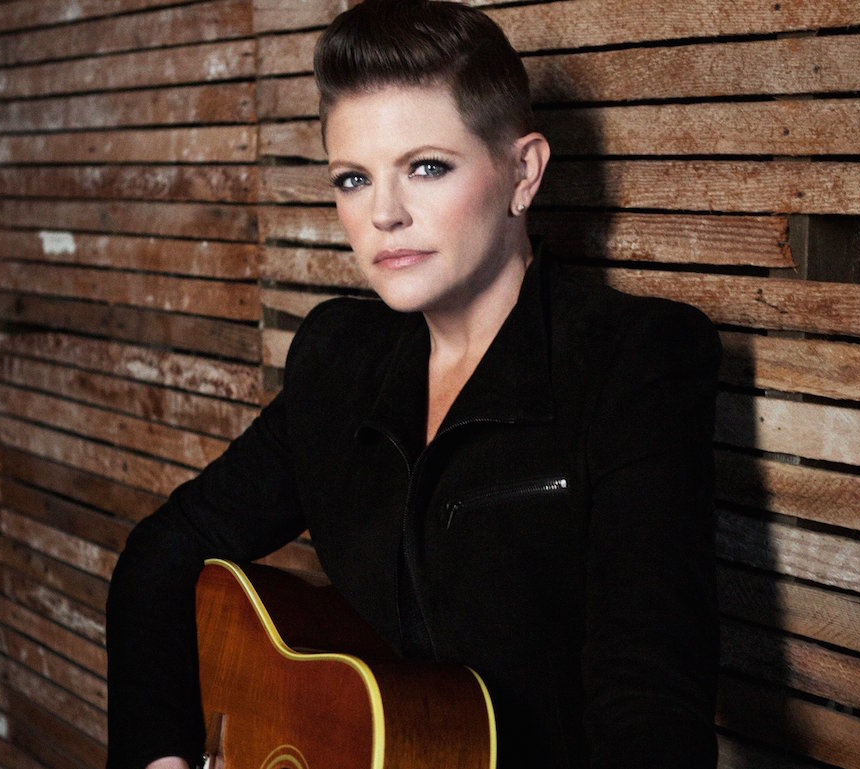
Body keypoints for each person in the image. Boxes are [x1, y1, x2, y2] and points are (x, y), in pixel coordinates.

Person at [104, 1, 720, 767]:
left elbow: (652, 705)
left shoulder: (634, 361)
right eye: (353, 179)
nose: (384, 214)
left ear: (523, 172)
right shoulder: (338, 361)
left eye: (426, 167)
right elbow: (162, 556)